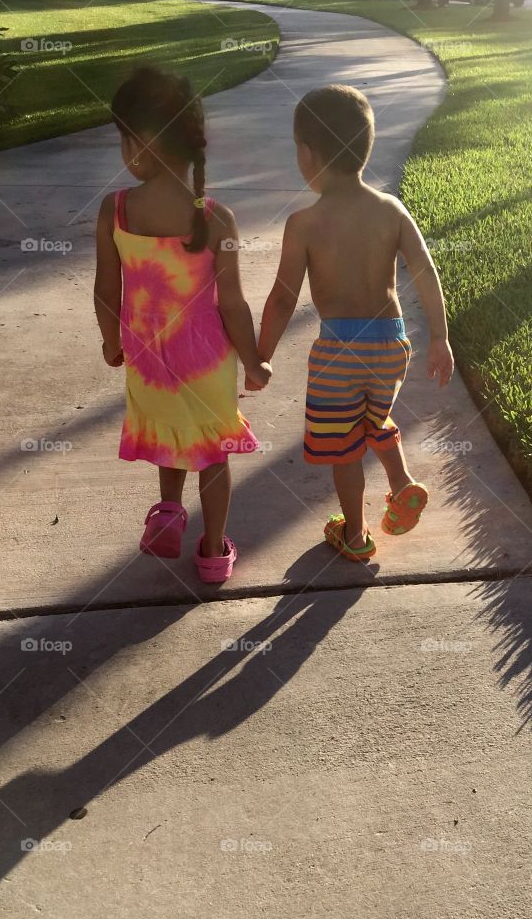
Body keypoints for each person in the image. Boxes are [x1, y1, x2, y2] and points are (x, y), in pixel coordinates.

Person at [248, 84, 454, 562]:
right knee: (373, 416)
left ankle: (356, 535)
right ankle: (401, 483)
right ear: (366, 146)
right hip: (390, 344)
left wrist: (261, 355)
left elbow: (282, 298)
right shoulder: (390, 209)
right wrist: (440, 338)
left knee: (343, 448)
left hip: (338, 349)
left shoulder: (303, 223)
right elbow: (425, 273)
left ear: (306, 153)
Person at [94, 65, 271, 584]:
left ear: (143, 141)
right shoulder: (217, 218)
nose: (123, 152)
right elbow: (233, 303)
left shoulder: (117, 209)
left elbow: (107, 291)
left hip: (148, 358)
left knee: (169, 435)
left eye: (123, 139)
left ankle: (168, 510)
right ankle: (214, 551)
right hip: (207, 360)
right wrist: (255, 360)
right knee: (213, 454)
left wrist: (111, 343)